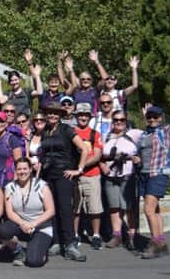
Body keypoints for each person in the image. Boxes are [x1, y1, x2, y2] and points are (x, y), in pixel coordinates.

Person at [136, 82, 170, 259]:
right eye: (149, 117)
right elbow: (143, 155)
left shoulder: (165, 131)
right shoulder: (144, 135)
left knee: (148, 209)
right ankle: (161, 243)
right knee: (155, 210)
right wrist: (137, 159)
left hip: (158, 175)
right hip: (145, 175)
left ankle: (156, 243)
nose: (152, 120)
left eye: (155, 117)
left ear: (161, 118)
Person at [39, 102, 88, 262]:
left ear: (60, 115)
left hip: (64, 174)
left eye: (55, 113)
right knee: (51, 210)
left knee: (65, 210)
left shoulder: (67, 130)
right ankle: (56, 242)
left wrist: (78, 169)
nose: (52, 115)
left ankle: (70, 244)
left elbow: (84, 149)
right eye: (49, 113)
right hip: (48, 175)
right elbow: (43, 155)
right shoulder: (45, 131)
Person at [0, 157, 56, 268]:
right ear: (15, 170)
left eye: (25, 169)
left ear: (30, 170)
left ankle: (40, 249)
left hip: (40, 227)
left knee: (34, 262)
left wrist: (32, 224)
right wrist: (23, 223)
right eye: (19, 169)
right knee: (2, 231)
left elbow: (51, 211)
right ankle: (18, 249)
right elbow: (9, 212)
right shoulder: (9, 187)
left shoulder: (42, 186)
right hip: (21, 225)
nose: (22, 172)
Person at [100, 110, 139, 251]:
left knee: (128, 208)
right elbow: (100, 154)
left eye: (122, 119)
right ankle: (117, 235)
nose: (119, 122)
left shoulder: (134, 134)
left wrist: (139, 159)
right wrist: (102, 165)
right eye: (116, 120)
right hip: (111, 175)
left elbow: (147, 145)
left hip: (127, 176)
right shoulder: (107, 136)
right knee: (114, 207)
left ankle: (132, 235)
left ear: (126, 120)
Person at [72, 103, 104, 250]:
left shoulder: (95, 134)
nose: (83, 117)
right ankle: (75, 234)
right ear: (76, 116)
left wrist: (80, 167)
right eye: (80, 115)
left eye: (86, 115)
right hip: (74, 176)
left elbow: (97, 156)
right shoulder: (71, 132)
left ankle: (96, 235)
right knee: (75, 207)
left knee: (94, 207)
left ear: (90, 117)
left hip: (92, 175)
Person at [0, 49, 43, 116]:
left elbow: (39, 92)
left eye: (16, 80)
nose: (14, 82)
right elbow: (1, 101)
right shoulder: (8, 93)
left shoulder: (27, 92)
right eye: (12, 81)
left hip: (25, 123)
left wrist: (37, 76)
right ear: (9, 83)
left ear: (20, 80)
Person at [0, 111, 23, 188]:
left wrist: (16, 180)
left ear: (6, 124)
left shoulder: (12, 139)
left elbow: (19, 162)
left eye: (1, 121)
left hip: (7, 180)